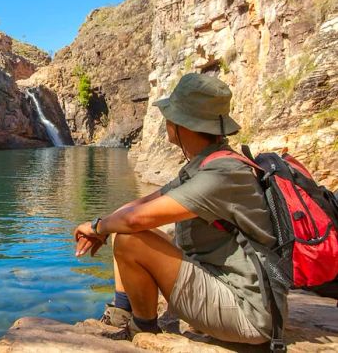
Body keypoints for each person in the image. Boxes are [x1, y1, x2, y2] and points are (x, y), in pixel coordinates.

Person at [73, 73, 286, 345]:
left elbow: (136, 219)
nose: (166, 121)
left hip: (248, 313)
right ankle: (121, 313)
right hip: (223, 285)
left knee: (128, 236)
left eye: (170, 116)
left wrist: (95, 227)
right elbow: (137, 206)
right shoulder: (209, 163)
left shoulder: (223, 173)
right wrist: (104, 225)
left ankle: (143, 331)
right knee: (120, 228)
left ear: (181, 124)